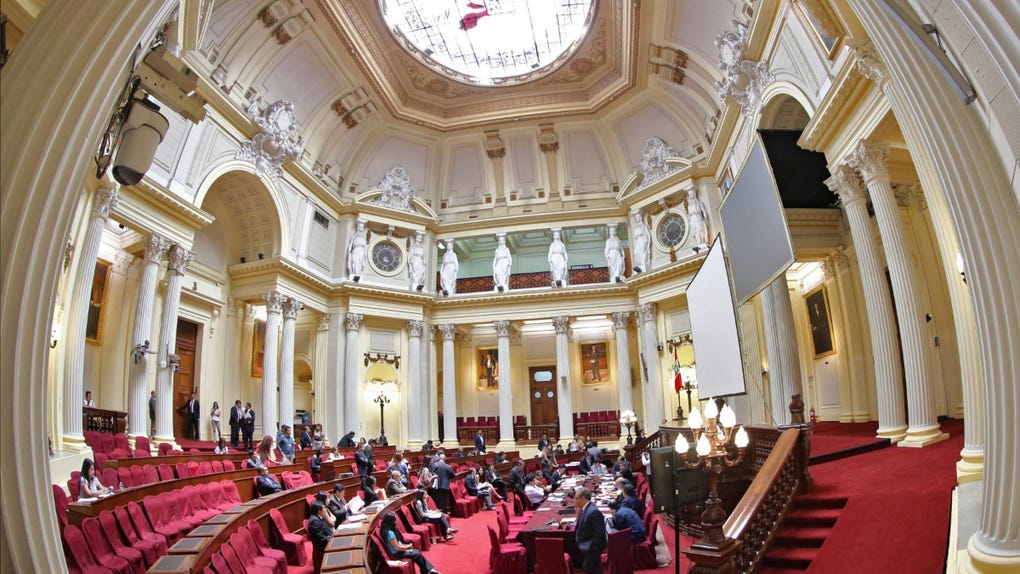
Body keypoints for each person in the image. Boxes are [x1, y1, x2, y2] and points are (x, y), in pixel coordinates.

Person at [574, 487, 608, 574]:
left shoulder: (593, 512)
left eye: (576, 498)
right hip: (585, 544)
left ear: (583, 498)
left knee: (591, 569)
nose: (575, 501)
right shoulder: (583, 509)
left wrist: (591, 549)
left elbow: (600, 534)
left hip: (592, 548)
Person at [307, 500, 335, 573]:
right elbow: (322, 540)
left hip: (326, 540)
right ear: (319, 511)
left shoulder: (318, 517)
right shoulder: (315, 522)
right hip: (322, 547)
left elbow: (326, 530)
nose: (325, 510)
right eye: (324, 508)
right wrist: (334, 537)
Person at [687, 186, 709, 251]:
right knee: (696, 231)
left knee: (700, 229)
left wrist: (705, 215)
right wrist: (690, 222)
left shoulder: (699, 202)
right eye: (690, 195)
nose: (691, 196)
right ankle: (699, 243)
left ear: (694, 194)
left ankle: (703, 242)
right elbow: (689, 215)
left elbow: (703, 209)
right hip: (693, 219)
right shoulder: (689, 206)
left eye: (692, 194)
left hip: (698, 217)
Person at [630, 208, 651, 274]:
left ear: (640, 218)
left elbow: (647, 235)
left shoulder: (643, 226)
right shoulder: (636, 228)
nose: (637, 219)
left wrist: (648, 241)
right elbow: (635, 238)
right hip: (638, 241)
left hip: (642, 240)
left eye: (638, 217)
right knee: (636, 252)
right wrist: (635, 244)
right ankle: (640, 265)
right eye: (636, 218)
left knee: (643, 251)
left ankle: (643, 264)